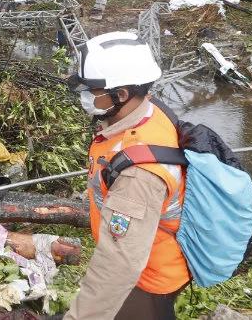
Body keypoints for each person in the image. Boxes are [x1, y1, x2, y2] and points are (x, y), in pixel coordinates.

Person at [64, 32, 188, 320]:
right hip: (149, 255)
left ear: (121, 95)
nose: (85, 97)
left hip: (147, 279)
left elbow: (118, 264)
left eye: (90, 91)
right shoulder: (149, 111)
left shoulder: (138, 178)